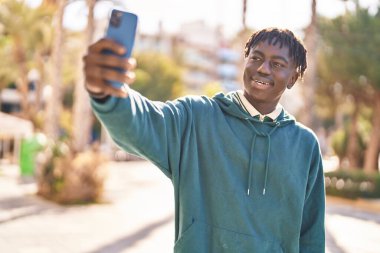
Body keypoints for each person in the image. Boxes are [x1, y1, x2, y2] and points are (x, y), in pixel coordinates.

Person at [83, 27, 325, 252]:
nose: (263, 68)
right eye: (256, 58)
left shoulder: (305, 145)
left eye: (277, 64)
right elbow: (143, 122)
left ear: (293, 78)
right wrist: (108, 93)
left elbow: (311, 235)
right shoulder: (196, 117)